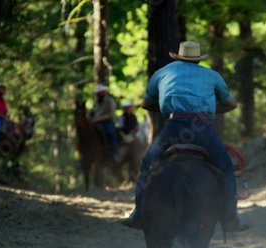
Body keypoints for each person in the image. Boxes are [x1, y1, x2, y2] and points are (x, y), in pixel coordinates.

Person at [121, 41, 249, 232]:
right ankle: (231, 218)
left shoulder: (163, 72)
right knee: (225, 166)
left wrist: (169, 108)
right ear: (198, 59)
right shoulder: (212, 75)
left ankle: (138, 214)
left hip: (173, 127)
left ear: (179, 56)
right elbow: (232, 104)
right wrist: (209, 110)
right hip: (202, 128)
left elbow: (146, 103)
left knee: (147, 163)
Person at [90, 84, 119, 161]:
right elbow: (92, 111)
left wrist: (99, 118)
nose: (97, 94)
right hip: (96, 123)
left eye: (99, 92)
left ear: (103, 92)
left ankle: (114, 153)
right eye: (97, 93)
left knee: (110, 133)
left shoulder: (110, 101)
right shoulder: (96, 103)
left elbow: (111, 114)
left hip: (108, 122)